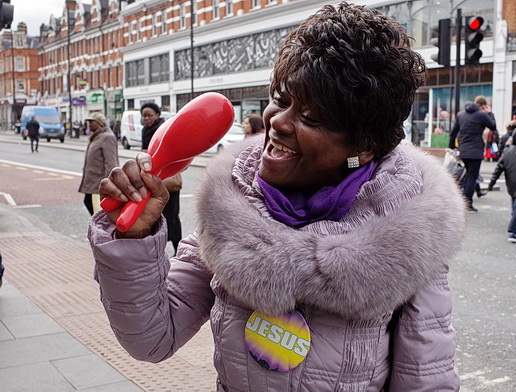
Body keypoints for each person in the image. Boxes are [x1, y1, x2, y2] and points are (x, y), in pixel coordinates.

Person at [88, 3, 465, 391]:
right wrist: (134, 240)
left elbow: (426, 382)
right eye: (282, 99)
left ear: (364, 146)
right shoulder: (234, 206)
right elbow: (151, 338)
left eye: (311, 117)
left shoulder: (408, 234)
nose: (278, 122)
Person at [140, 102, 182, 254]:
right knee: (156, 215)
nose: (146, 118)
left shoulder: (163, 130)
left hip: (167, 178)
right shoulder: (145, 131)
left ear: (158, 115)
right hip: (153, 178)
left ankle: (179, 249)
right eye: (144, 116)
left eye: (149, 115)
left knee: (172, 216)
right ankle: (159, 249)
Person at [449, 95, 497, 211]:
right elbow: (493, 126)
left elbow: (453, 132)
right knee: (472, 176)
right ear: (482, 105)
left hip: (463, 150)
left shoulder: (461, 115)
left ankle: (462, 199)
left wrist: (451, 147)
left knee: (468, 175)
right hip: (475, 151)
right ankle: (467, 203)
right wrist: (490, 113)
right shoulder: (482, 115)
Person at [78, 112, 118, 215]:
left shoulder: (107, 137)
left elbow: (111, 162)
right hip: (92, 181)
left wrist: (109, 184)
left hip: (99, 182)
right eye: (88, 122)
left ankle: (101, 229)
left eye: (92, 122)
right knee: (89, 203)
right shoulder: (96, 136)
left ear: (100, 123)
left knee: (98, 210)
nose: (89, 124)